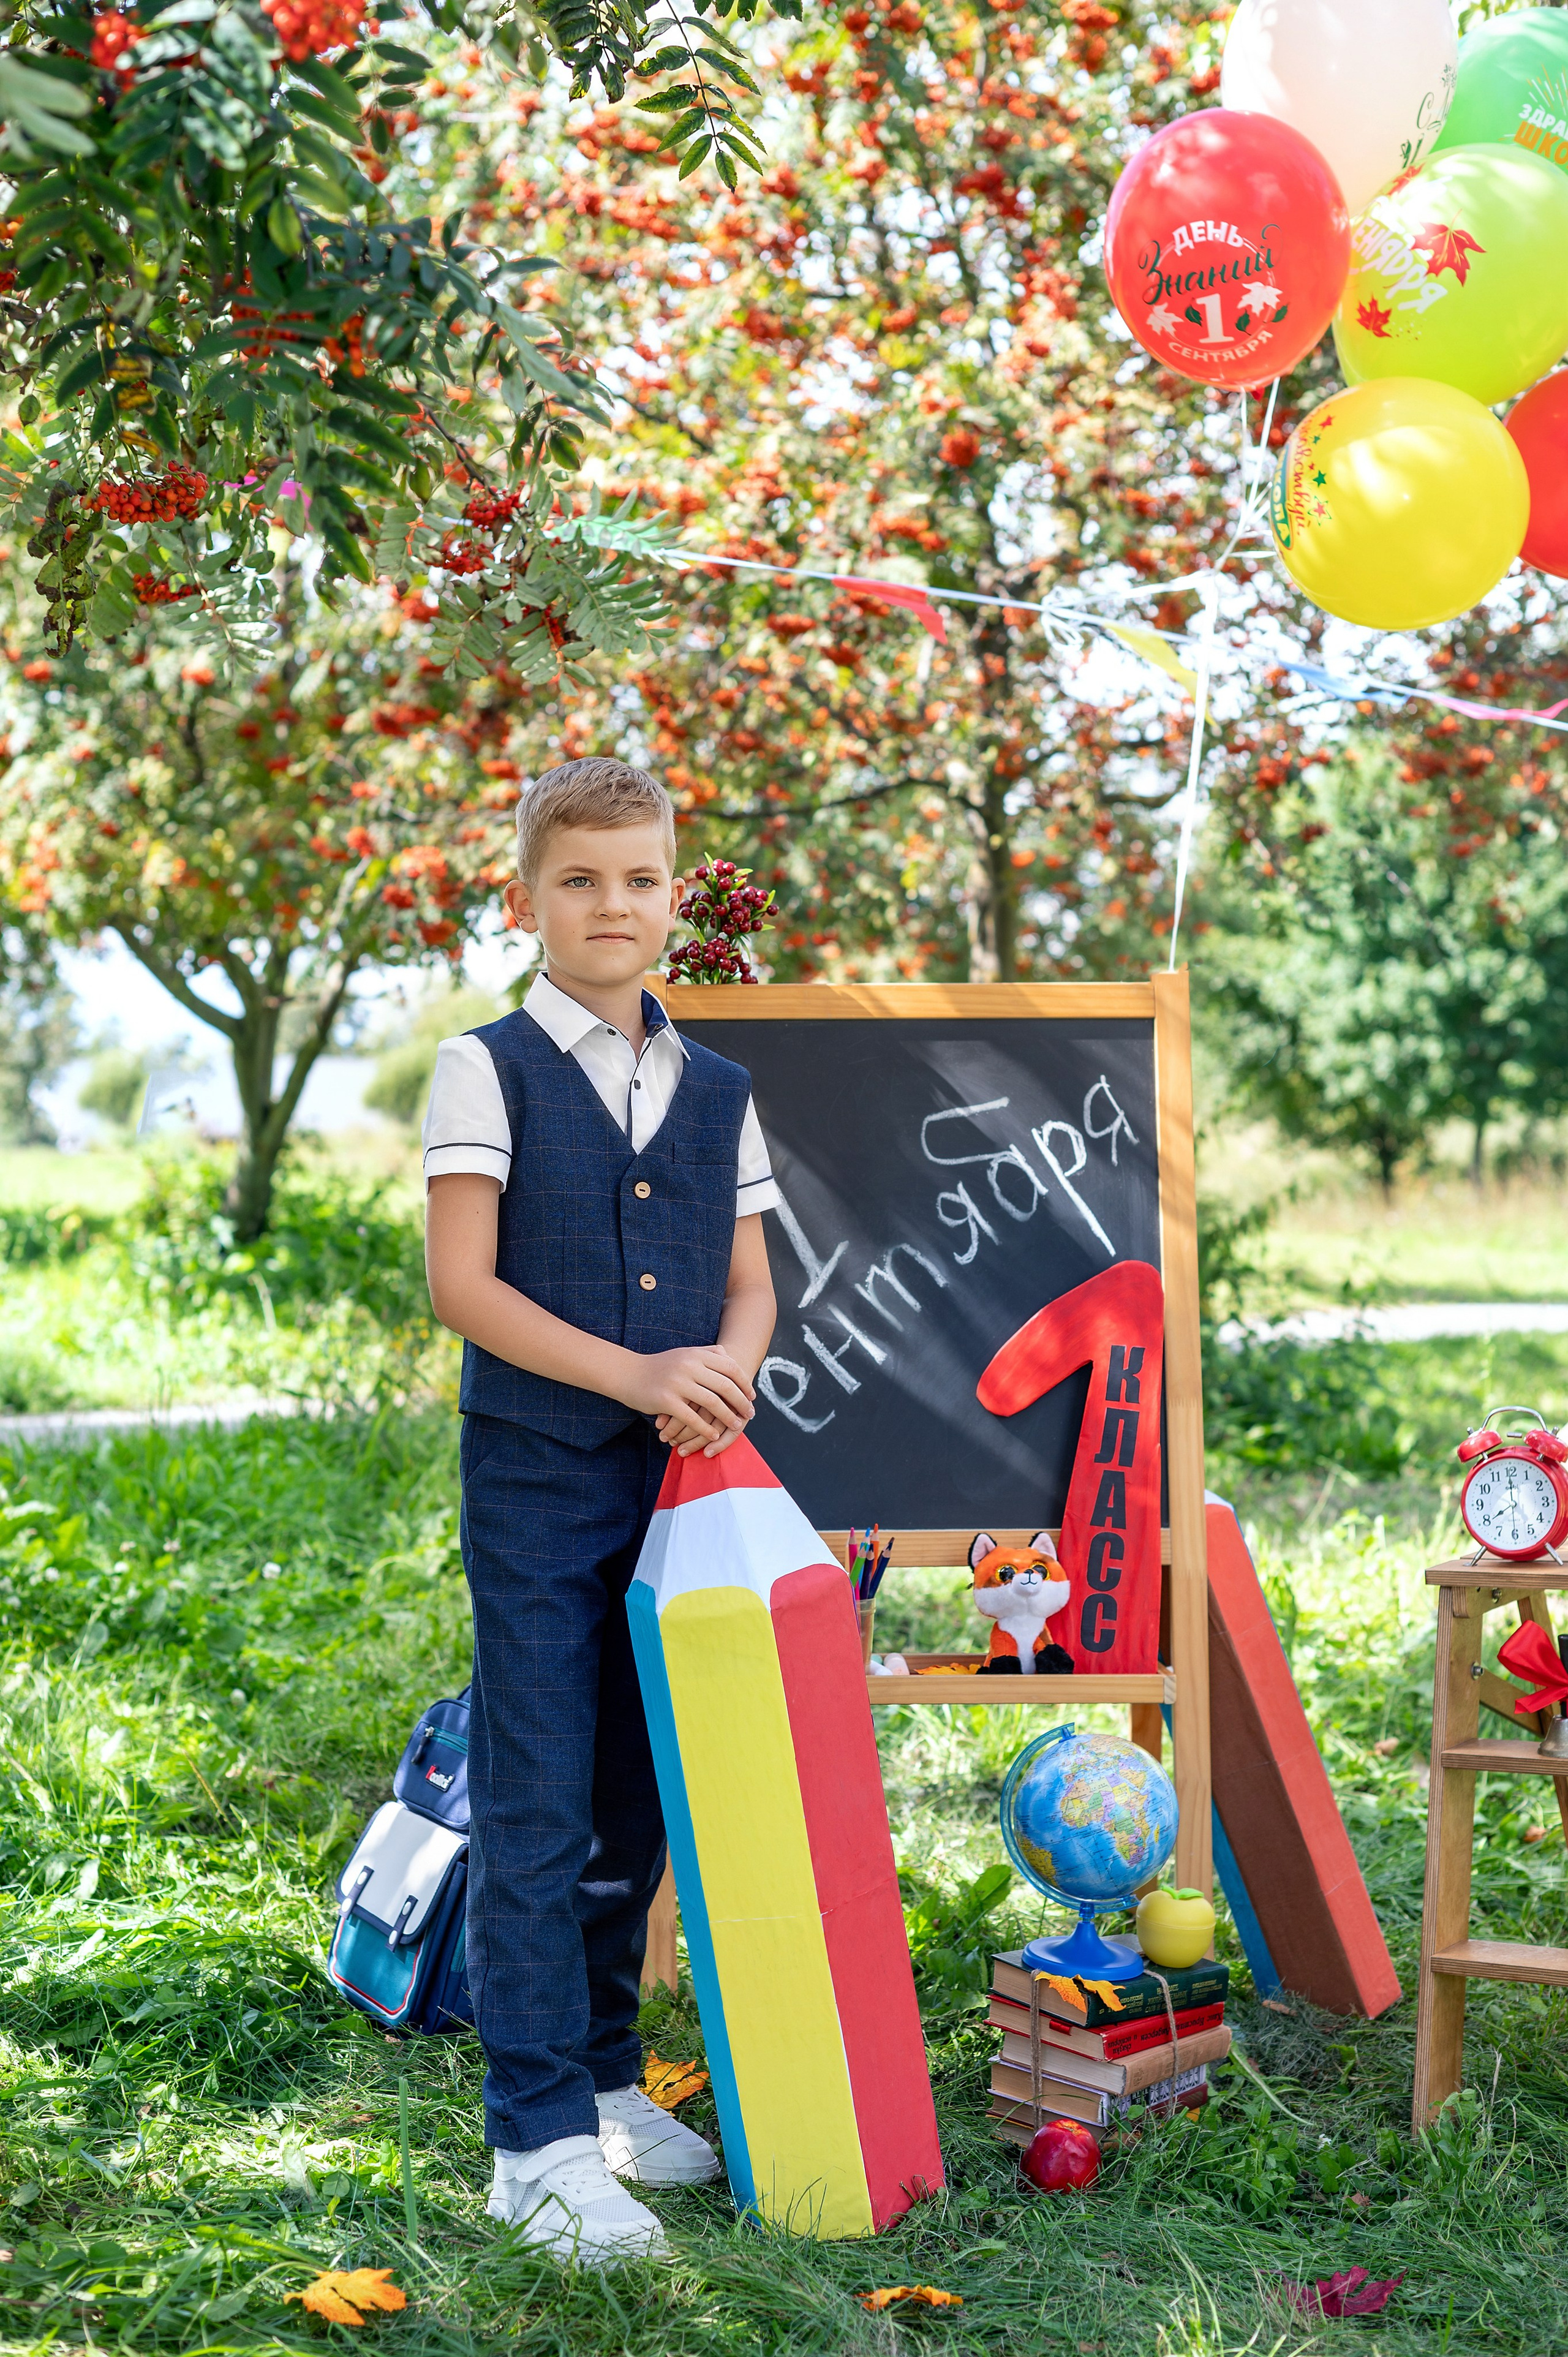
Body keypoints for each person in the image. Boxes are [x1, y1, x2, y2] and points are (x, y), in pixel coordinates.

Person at [422, 758, 778, 2264]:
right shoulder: (481, 1066)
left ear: (673, 896)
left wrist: (723, 1381)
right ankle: (532, 2142)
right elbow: (464, 1285)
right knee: (537, 1797)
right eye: (579, 879)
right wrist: (640, 1373)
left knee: (637, 1800)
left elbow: (752, 1284)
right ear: (527, 901)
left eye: (639, 877)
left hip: (678, 1487)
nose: (611, 903)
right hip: (536, 1483)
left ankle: (610, 2085)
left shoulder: (719, 1087)